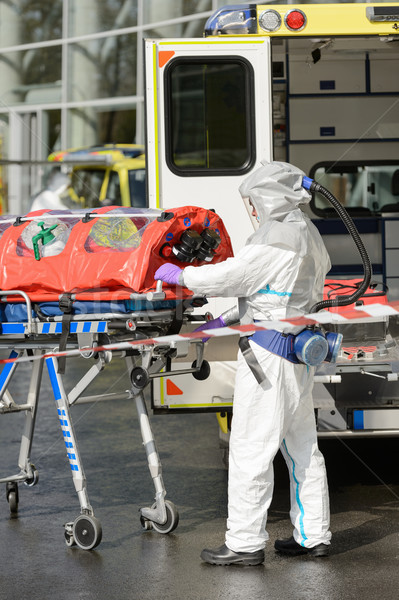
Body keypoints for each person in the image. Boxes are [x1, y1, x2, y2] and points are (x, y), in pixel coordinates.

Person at [154, 161, 332, 566]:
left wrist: (182, 275)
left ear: (269, 197)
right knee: (303, 447)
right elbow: (278, 295)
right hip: (299, 352)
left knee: (251, 448)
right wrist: (230, 319)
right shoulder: (307, 232)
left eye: (253, 200)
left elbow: (234, 276)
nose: (251, 208)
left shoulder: (275, 237)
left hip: (269, 358)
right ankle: (313, 534)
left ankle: (245, 543)